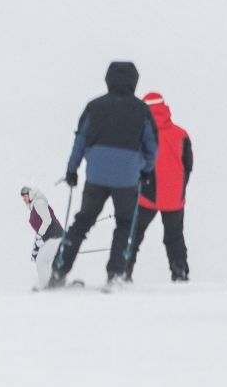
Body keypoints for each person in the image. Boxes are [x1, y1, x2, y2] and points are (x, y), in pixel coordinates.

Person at [47, 61, 157, 288]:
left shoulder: (94, 106)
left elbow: (80, 139)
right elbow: (152, 146)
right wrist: (144, 169)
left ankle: (59, 271)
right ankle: (115, 275)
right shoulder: (141, 110)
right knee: (125, 224)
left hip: (96, 175)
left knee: (82, 222)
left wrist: (72, 170)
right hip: (127, 177)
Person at [131, 92, 193, 281]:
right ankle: (180, 272)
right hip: (174, 197)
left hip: (147, 195)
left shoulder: (140, 134)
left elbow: (134, 163)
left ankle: (123, 272)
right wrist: (180, 188)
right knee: (174, 237)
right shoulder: (181, 134)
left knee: (133, 234)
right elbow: (188, 166)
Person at [21, 186, 64, 289]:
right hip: (52, 237)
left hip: (55, 236)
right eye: (23, 197)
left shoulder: (38, 202)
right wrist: (35, 249)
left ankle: (47, 286)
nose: (24, 199)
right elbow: (40, 231)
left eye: (25, 196)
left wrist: (39, 236)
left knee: (41, 260)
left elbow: (47, 220)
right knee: (45, 260)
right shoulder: (35, 206)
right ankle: (56, 283)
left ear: (30, 194)